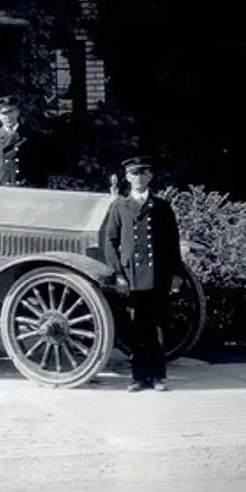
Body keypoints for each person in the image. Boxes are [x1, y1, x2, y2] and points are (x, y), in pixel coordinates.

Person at [101, 156, 184, 392]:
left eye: (143, 173)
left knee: (156, 326)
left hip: (157, 276)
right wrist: (118, 274)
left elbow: (172, 243)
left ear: (150, 177)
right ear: (127, 177)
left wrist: (175, 274)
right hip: (131, 277)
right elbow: (110, 241)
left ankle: (157, 377)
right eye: (134, 174)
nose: (139, 178)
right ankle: (138, 378)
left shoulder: (162, 207)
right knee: (136, 328)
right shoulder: (119, 206)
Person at [0, 95, 47, 187]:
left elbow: (43, 168)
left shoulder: (34, 136)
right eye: (4, 113)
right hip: (1, 188)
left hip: (28, 189)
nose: (8, 116)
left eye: (11, 111)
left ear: (18, 112)